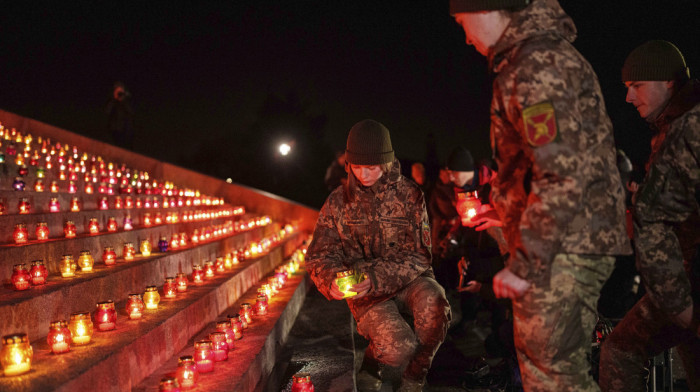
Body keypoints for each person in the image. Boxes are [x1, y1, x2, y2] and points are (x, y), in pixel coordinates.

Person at [449, 1, 631, 390]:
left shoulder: (536, 64)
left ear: (487, 9)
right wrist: (505, 214)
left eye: (463, 22)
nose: (465, 37)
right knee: (548, 369)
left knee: (552, 375)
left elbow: (562, 171)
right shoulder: (534, 57)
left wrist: (527, 261)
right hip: (565, 239)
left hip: (564, 244)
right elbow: (540, 165)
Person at [305, 119, 451, 391]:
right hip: (364, 290)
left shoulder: (410, 194)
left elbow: (419, 256)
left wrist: (376, 277)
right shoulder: (338, 201)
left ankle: (414, 378)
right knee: (399, 348)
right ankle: (373, 361)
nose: (364, 174)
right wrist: (330, 281)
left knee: (437, 308)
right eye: (357, 167)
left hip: (410, 279)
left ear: (386, 162)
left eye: (371, 167)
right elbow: (318, 256)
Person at [599, 40, 700, 392]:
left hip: (688, 284)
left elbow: (657, 219)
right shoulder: (673, 128)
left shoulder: (688, 129)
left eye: (636, 86)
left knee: (620, 350)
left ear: (668, 82)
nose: (629, 97)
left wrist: (678, 302)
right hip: (687, 277)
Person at [105, 81, 135, 149]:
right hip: (113, 131)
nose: (120, 94)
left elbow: (131, 112)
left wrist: (123, 100)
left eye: (121, 91)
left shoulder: (126, 102)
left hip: (125, 132)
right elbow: (107, 112)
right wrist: (114, 99)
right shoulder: (111, 101)